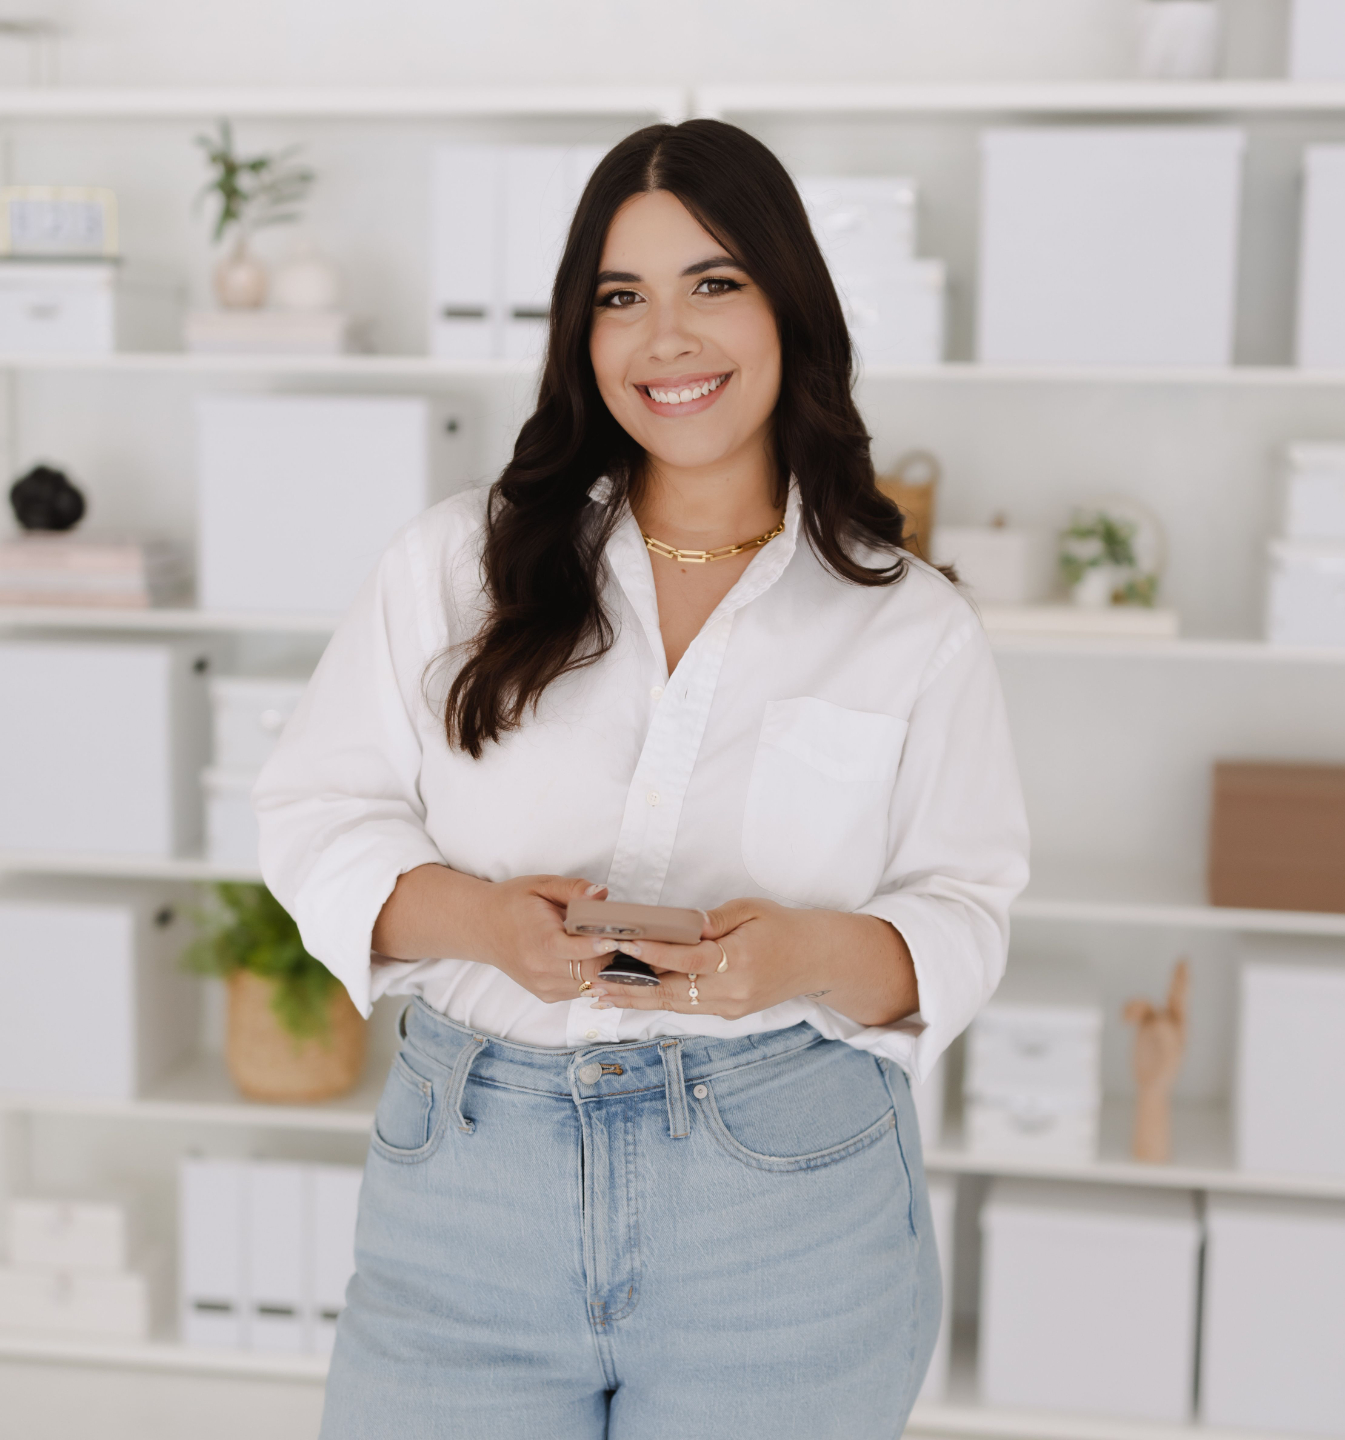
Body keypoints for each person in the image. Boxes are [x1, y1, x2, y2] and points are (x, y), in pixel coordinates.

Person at [254, 118, 1028, 1440]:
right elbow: (313, 816)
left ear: (790, 307)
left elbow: (962, 913)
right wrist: (481, 922)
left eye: (712, 285)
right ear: (581, 333)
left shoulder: (907, 623)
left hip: (783, 1200)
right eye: (621, 298)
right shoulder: (453, 564)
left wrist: (798, 955)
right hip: (467, 1190)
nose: (664, 338)